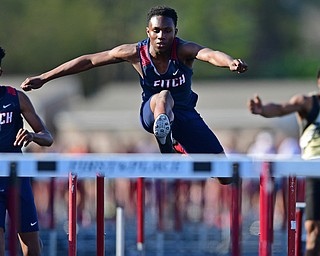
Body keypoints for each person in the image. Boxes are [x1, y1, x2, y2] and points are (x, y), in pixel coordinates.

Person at [20, 6, 248, 184]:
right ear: (148, 31)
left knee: (226, 176)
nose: (161, 36)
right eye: (156, 31)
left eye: (167, 31)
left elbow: (209, 54)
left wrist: (230, 62)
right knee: (163, 95)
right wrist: (45, 77)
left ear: (175, 32)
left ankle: (178, 146)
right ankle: (166, 145)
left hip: (186, 116)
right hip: (152, 111)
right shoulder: (135, 53)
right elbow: (89, 60)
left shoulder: (183, 50)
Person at [248, 69, 320, 256]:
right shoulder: (308, 102)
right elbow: (281, 108)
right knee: (314, 229)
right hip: (314, 169)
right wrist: (262, 110)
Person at [0, 46, 53, 255]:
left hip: (17, 177)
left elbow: (47, 137)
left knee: (32, 248)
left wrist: (31, 136)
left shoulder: (16, 97)